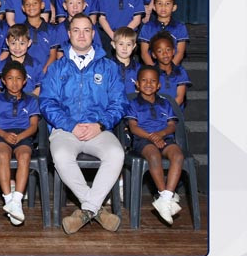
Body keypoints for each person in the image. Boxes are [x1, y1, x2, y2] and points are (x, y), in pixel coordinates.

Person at [39, 13, 127, 235]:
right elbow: (47, 103)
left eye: (86, 30)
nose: (81, 35)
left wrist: (100, 124)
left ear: (93, 34)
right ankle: (97, 210)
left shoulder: (109, 67)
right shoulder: (56, 68)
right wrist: (71, 125)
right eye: (76, 30)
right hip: (66, 129)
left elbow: (119, 103)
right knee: (61, 155)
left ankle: (87, 209)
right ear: (69, 34)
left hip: (98, 128)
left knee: (116, 154)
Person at [126, 65, 184, 224]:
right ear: (137, 84)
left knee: (178, 155)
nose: (148, 84)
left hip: (164, 138)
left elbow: (172, 125)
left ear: (158, 85)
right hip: (143, 139)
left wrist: (161, 134)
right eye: (144, 80)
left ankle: (165, 198)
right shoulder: (133, 104)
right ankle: (164, 194)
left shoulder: (165, 103)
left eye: (153, 81)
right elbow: (133, 127)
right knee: (153, 155)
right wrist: (151, 137)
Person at [0, 60, 40, 226]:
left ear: (24, 81)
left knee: (24, 156)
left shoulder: (31, 100)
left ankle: (17, 201)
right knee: (2, 154)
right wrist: (4, 134)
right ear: (3, 80)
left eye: (18, 79)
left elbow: (34, 126)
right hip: (1, 134)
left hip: (24, 135)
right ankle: (8, 199)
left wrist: (21, 136)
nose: (14, 82)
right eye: (10, 78)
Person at [138, 0, 189, 66]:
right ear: (154, 7)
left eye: (167, 4)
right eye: (159, 3)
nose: (163, 7)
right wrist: (154, 70)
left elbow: (180, 53)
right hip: (152, 69)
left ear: (174, 7)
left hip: (173, 69)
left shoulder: (180, 27)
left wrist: (169, 69)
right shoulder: (147, 27)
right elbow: (144, 53)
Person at [21, 0, 60, 72]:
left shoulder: (52, 30)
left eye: (35, 3)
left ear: (42, 5)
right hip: (26, 74)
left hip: (46, 73)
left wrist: (42, 73)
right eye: (27, 4)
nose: (31, 6)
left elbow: (53, 55)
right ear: (23, 8)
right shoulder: (20, 30)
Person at [149, 31, 191, 107]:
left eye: (168, 50)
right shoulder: (151, 73)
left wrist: (167, 112)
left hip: (174, 111)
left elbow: (180, 98)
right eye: (160, 51)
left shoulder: (180, 71)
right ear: (154, 55)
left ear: (173, 51)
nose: (165, 54)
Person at [1, 24, 43, 95]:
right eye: (13, 43)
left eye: (22, 43)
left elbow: (39, 87)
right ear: (7, 42)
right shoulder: (2, 65)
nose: (17, 48)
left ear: (29, 43)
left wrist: (29, 100)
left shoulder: (36, 65)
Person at [111, 26, 141, 95]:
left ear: (134, 46)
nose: (125, 48)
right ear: (114, 45)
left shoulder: (139, 69)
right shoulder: (107, 67)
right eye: (121, 44)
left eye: (129, 44)